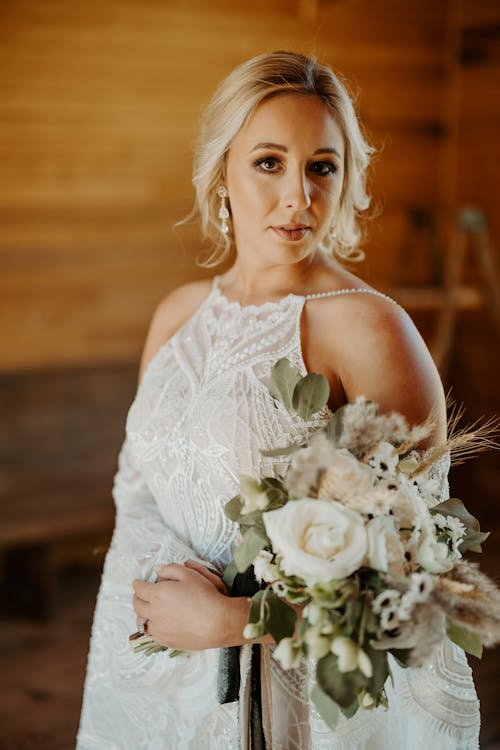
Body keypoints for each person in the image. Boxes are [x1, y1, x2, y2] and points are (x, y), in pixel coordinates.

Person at [77, 51, 480, 749]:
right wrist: (155, 612)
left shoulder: (368, 327)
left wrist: (234, 623)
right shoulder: (176, 315)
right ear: (222, 171)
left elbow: (417, 562)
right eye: (269, 162)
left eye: (321, 166)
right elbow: (136, 489)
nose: (298, 195)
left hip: (293, 696)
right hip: (156, 674)